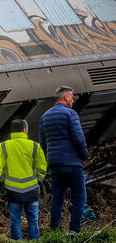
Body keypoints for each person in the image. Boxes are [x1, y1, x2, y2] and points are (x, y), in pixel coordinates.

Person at [40, 85, 89, 233]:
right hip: (72, 163)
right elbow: (79, 138)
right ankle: (74, 232)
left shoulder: (45, 116)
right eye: (72, 98)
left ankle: (55, 231)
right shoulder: (70, 114)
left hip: (55, 164)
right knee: (80, 197)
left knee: (57, 198)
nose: (73, 101)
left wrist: (51, 159)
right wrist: (84, 155)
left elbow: (43, 143)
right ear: (66, 97)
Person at [0, 119, 47, 241]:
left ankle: (17, 240)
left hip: (12, 189)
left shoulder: (3, 146)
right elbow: (42, 167)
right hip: (31, 188)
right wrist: (38, 180)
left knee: (15, 219)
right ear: (25, 130)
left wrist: (3, 180)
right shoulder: (35, 146)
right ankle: (34, 241)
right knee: (33, 219)